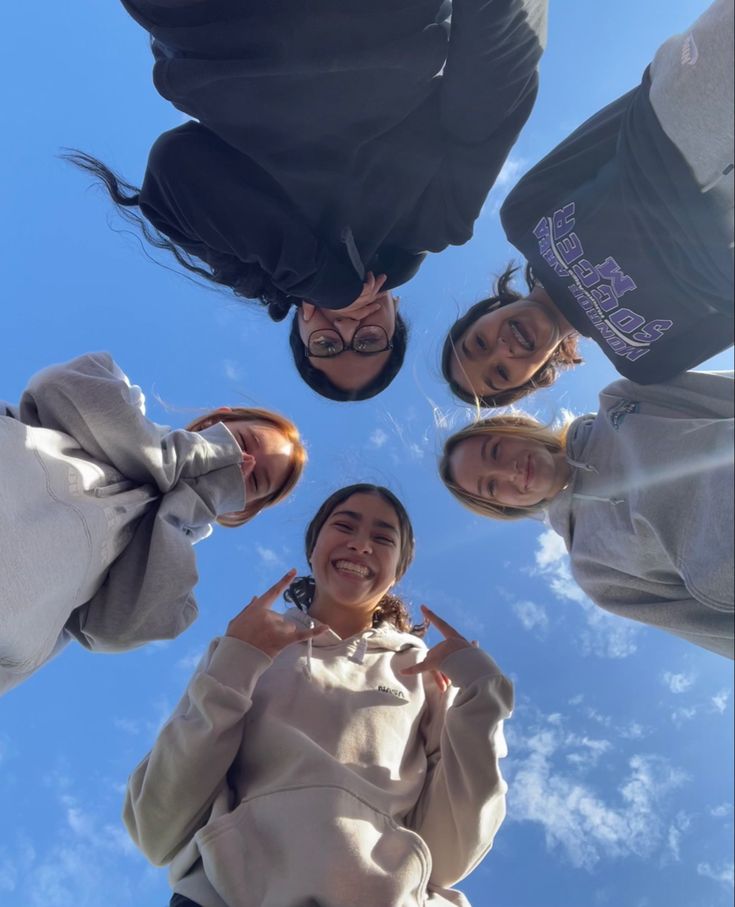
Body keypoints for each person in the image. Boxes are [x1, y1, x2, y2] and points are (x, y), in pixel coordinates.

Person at [69, 0, 547, 400]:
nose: (346, 332)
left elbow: (176, 163)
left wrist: (316, 277)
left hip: (209, 29)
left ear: (301, 331)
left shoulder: (246, 262)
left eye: (326, 345)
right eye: (369, 342)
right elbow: (491, 99)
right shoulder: (434, 223)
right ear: (393, 313)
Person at [124, 484, 513, 907]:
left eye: (383, 538)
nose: (362, 544)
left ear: (398, 570)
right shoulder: (247, 647)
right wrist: (237, 660)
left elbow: (449, 856)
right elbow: (157, 826)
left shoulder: (425, 673)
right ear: (314, 547)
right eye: (344, 525)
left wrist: (482, 697)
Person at [443, 0, 734, 407]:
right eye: (501, 374)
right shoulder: (645, 364)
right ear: (534, 378)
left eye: (479, 343)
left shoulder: (522, 218)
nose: (502, 349)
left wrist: (681, 76)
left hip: (692, 110)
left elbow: (611, 128)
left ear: (485, 313)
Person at [0, 352, 306, 694]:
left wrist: (192, 501)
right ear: (216, 423)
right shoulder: (125, 402)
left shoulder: (170, 569)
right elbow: (57, 386)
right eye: (241, 444)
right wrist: (184, 457)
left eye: (252, 479)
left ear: (244, 507)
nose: (239, 463)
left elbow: (117, 628)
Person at [439, 370, 734, 657]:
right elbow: (709, 628)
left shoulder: (620, 398)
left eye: (495, 451)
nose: (508, 471)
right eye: (492, 486)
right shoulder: (594, 570)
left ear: (514, 431)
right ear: (505, 507)